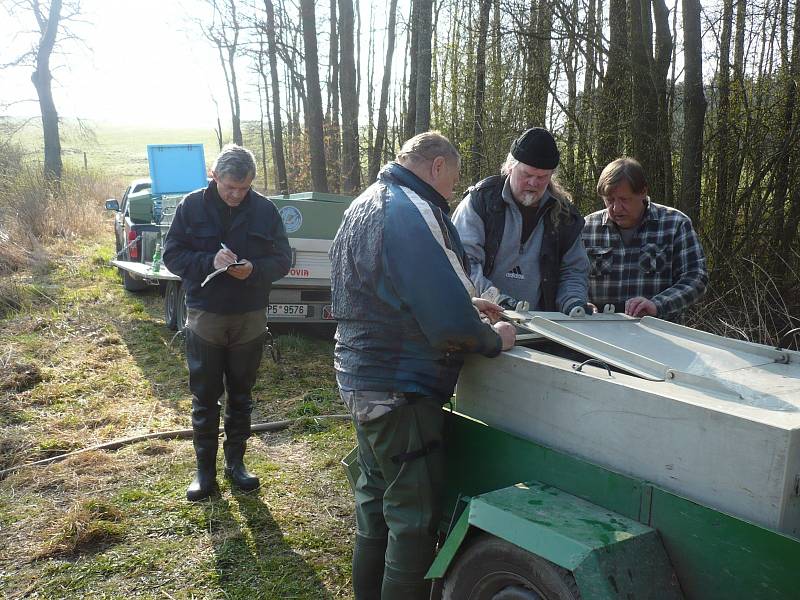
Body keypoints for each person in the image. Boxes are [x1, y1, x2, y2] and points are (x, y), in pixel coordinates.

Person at [330, 131, 516, 599]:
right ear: (436, 167)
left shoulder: (366, 203)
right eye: (453, 180)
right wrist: (494, 339)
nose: (453, 190)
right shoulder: (411, 210)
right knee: (412, 519)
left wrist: (465, 299)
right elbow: (451, 324)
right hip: (401, 387)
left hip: (360, 378)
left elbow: (390, 290)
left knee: (375, 503)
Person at [163, 144, 292, 502]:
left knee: (242, 395)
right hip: (206, 315)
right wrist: (209, 261)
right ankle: (204, 473)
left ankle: (236, 465)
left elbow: (283, 258)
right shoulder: (191, 207)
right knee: (205, 397)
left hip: (250, 315)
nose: (236, 195)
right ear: (214, 177)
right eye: (229, 187)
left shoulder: (265, 210)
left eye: (244, 188)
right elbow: (171, 255)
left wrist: (254, 270)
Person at [452, 127, 590, 315]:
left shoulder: (565, 216)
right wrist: (496, 300)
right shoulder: (480, 202)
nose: (533, 183)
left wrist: (573, 304)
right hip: (482, 319)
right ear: (510, 167)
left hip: (542, 327)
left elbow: (574, 271)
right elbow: (464, 262)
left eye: (542, 177)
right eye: (527, 174)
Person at [583, 157, 708, 320]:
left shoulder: (675, 224)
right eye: (609, 200)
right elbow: (569, 277)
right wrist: (580, 302)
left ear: (643, 192)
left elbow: (696, 278)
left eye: (624, 200)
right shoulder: (587, 228)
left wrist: (657, 305)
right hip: (597, 335)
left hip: (658, 334)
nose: (616, 208)